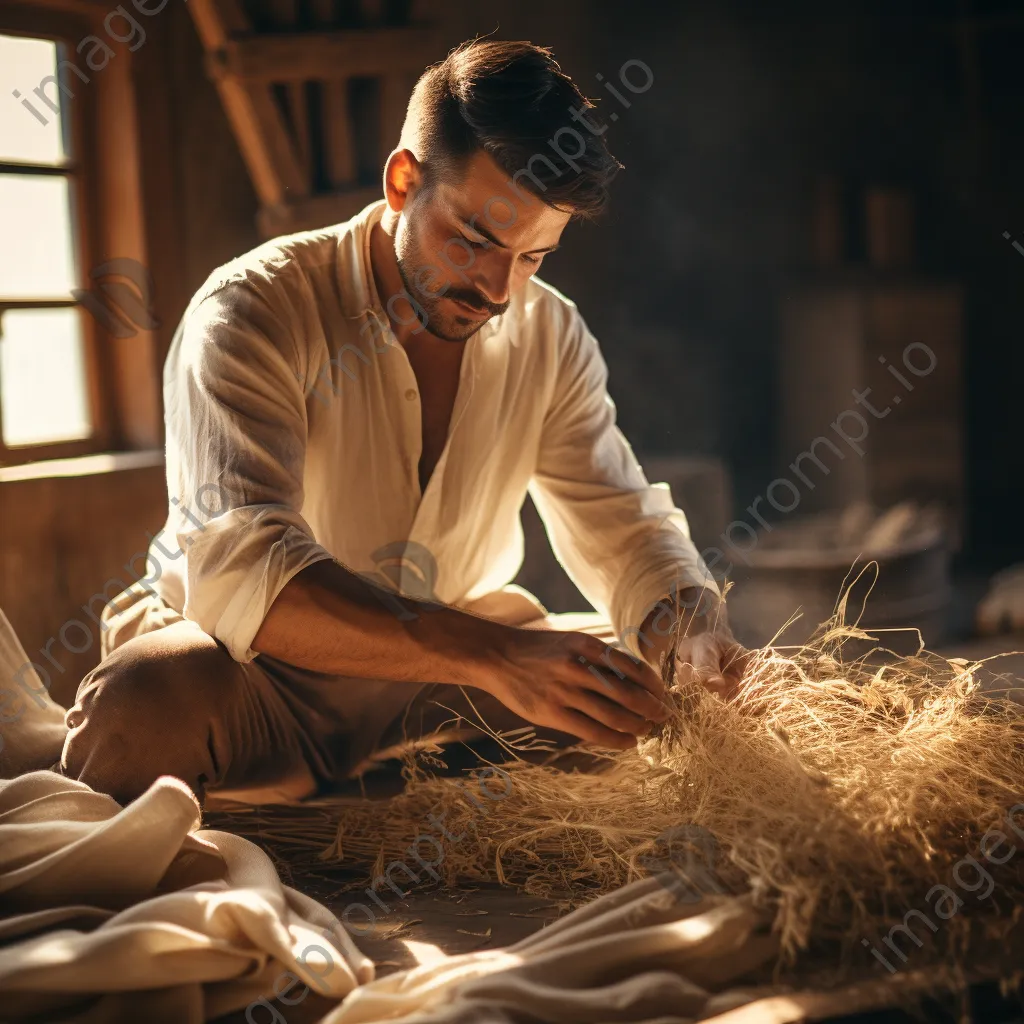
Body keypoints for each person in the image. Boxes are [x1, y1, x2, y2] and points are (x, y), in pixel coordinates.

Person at [61, 38, 748, 807]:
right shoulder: (253, 308)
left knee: (646, 696)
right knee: (144, 703)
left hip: (441, 684)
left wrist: (689, 631)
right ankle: (317, 779)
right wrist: (495, 654)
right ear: (403, 181)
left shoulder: (549, 333)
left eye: (533, 257)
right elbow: (248, 567)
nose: (497, 289)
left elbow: (623, 524)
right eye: (475, 239)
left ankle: (379, 782)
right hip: (254, 676)